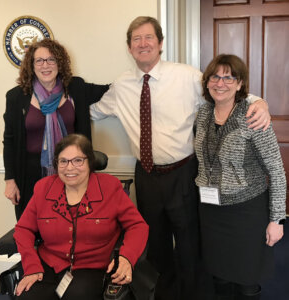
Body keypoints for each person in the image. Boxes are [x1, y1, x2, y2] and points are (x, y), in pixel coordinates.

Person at [90, 16, 271, 300]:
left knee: (189, 244)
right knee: (156, 244)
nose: (143, 43)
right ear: (129, 47)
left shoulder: (186, 76)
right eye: (136, 39)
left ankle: (193, 295)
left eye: (149, 37)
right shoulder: (121, 86)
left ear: (161, 44)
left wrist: (258, 101)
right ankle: (165, 294)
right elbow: (91, 111)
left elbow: (223, 91)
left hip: (183, 174)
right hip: (146, 175)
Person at [195, 54, 286, 300]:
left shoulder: (253, 116)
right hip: (211, 210)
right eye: (215, 77)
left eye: (228, 78)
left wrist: (276, 220)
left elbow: (276, 171)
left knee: (247, 278)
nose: (220, 83)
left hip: (247, 212)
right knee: (219, 274)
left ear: (240, 84)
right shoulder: (203, 114)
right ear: (207, 82)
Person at [13, 133, 148, 300]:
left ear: (89, 162)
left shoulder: (109, 187)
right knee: (27, 296)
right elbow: (23, 229)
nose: (70, 168)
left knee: (76, 296)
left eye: (78, 160)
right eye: (63, 161)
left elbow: (138, 226)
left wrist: (127, 257)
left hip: (92, 266)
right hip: (49, 263)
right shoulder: (43, 188)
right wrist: (31, 266)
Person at [3, 39, 109, 220]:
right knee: (34, 228)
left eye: (51, 60)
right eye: (39, 60)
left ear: (60, 63)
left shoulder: (75, 88)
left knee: (72, 225)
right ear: (32, 65)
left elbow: (109, 90)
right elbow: (10, 141)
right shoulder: (16, 96)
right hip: (29, 176)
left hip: (72, 172)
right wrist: (10, 180)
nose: (46, 65)